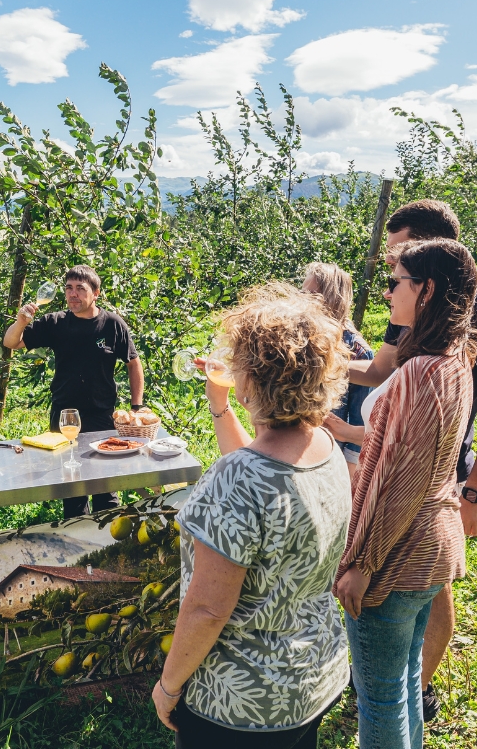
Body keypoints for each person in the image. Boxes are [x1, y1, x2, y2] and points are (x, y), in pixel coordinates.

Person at [335, 200, 477, 722]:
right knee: (425, 580)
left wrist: (474, 492)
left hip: (442, 469)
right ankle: (404, 688)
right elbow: (380, 373)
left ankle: (418, 687)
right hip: (417, 456)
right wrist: (311, 361)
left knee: (426, 585)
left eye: (399, 259)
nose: (390, 273)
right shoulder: (420, 319)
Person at [152, 283, 352, 749]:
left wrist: (168, 686)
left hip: (241, 702)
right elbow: (261, 474)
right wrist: (220, 407)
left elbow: (207, 608)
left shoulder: (236, 478)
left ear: (253, 378)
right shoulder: (325, 448)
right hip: (312, 677)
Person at [336, 239, 477, 749]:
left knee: (378, 702)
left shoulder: (420, 371)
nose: (387, 292)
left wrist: (363, 561)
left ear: (427, 290)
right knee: (402, 689)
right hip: (435, 549)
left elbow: (399, 481)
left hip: (401, 557)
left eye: (396, 281)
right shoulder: (456, 360)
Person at [3, 265, 146, 517]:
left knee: (106, 491)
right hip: (65, 417)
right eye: (69, 288)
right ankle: (79, 549)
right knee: (72, 491)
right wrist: (21, 322)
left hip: (103, 417)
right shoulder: (55, 322)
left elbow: (133, 363)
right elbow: (11, 342)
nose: (73, 294)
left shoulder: (112, 325)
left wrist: (136, 406)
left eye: (80, 288)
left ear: (96, 293)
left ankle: (107, 546)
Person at [302, 261, 373, 473]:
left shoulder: (357, 351)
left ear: (333, 298)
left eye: (312, 294)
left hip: (329, 459)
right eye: (302, 292)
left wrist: (348, 472)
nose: (303, 300)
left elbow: (359, 419)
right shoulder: (298, 338)